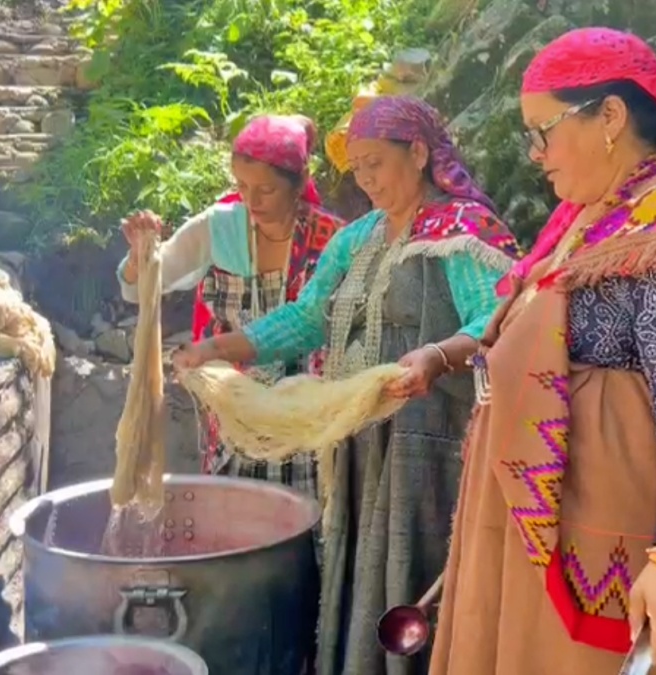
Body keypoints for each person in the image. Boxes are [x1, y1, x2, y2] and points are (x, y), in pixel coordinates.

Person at [429, 28, 656, 675]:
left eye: (543, 131)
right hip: (553, 518)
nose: (536, 154)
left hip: (607, 535)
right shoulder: (599, 213)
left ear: (609, 115)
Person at [171, 95, 521, 675]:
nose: (366, 180)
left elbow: (496, 321)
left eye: (375, 163)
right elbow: (307, 319)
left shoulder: (463, 232)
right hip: (360, 444)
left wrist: (436, 357)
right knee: (363, 575)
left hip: (429, 446)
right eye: (357, 168)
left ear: (418, 153)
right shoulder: (358, 239)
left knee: (417, 575)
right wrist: (215, 349)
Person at [117, 114, 344, 496]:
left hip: (310, 419)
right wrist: (140, 256)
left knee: (309, 513)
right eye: (242, 185)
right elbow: (143, 288)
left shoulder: (334, 239)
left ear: (301, 181)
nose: (251, 201)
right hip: (233, 417)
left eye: (266, 190)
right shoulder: (219, 228)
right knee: (235, 511)